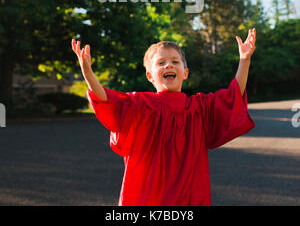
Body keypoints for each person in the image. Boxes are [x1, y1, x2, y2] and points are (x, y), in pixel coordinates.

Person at [71, 28, 256, 206]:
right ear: (150, 76)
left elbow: (232, 97)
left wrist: (244, 60)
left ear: (185, 73)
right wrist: (88, 72)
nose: (169, 65)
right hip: (148, 194)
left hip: (188, 193)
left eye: (175, 61)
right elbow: (106, 100)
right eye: (161, 63)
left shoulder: (198, 108)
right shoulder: (140, 105)